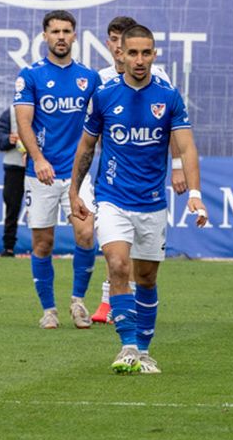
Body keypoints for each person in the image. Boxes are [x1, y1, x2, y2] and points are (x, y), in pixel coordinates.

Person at [69, 24, 208, 375]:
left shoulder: (168, 96)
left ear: (154, 54)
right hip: (112, 197)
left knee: (146, 278)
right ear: (121, 54)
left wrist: (195, 193)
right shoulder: (104, 95)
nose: (140, 60)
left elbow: (187, 146)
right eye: (133, 53)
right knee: (118, 265)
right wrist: (74, 190)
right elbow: (86, 146)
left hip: (151, 202)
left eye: (146, 53)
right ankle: (128, 346)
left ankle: (144, 350)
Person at [87, 14, 186, 324]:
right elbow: (92, 129)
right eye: (116, 42)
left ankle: (129, 315)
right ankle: (109, 301)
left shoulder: (162, 81)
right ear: (112, 46)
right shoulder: (102, 80)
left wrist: (178, 166)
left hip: (148, 182)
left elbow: (172, 127)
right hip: (113, 177)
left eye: (139, 49)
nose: (127, 52)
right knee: (116, 254)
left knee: (142, 269)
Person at [13, 10, 102, 329]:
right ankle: (48, 310)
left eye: (66, 31)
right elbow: (24, 122)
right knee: (43, 243)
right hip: (42, 175)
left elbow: (101, 123)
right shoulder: (30, 75)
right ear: (45, 36)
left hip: (78, 174)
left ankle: (78, 302)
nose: (61, 37)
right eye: (55, 31)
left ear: (75, 36)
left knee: (86, 234)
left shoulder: (89, 77)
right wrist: (38, 159)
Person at [0, 103, 26, 257]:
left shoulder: (45, 108)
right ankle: (9, 247)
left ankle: (42, 247)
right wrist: (9, 139)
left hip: (39, 166)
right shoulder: (10, 112)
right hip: (14, 166)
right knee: (12, 207)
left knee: (42, 207)